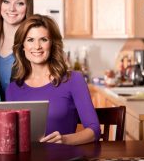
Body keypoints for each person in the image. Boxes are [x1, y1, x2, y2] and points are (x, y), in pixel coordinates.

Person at [6, 14, 100, 145]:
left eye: (43, 39)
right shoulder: (13, 89)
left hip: (62, 160)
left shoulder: (73, 80)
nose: (37, 46)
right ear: (22, 46)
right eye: (30, 40)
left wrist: (65, 140)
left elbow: (94, 130)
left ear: (52, 44)